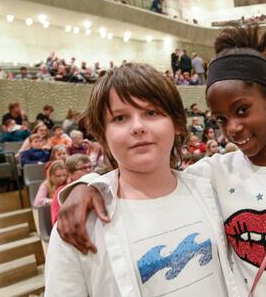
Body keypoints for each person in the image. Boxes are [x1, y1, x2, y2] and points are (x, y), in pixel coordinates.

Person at [55, 25, 266, 296]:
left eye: (242, 110)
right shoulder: (213, 175)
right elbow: (143, 177)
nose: (233, 127)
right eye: (221, 119)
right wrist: (86, 187)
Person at [44, 65, 244, 296]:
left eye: (151, 113)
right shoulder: (79, 224)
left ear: (177, 124)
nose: (138, 127)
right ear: (103, 135)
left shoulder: (209, 191)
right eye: (120, 118)